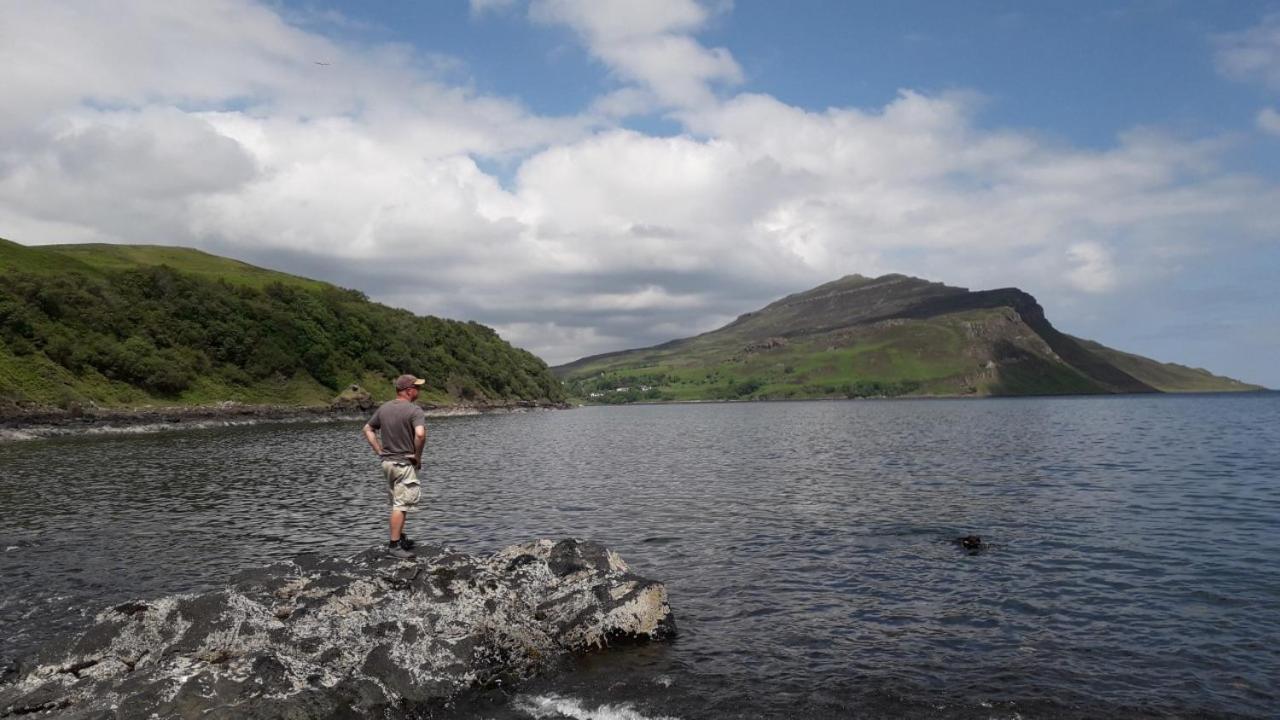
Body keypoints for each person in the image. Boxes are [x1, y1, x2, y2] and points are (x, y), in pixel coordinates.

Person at [362, 374, 427, 558]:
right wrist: (417, 457)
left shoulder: (384, 408)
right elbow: (420, 434)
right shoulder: (414, 411)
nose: (419, 390)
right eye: (417, 387)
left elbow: (367, 429)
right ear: (408, 390)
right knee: (401, 504)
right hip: (403, 463)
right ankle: (394, 546)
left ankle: (399, 537)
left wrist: (379, 451)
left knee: (396, 502)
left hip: (387, 463)